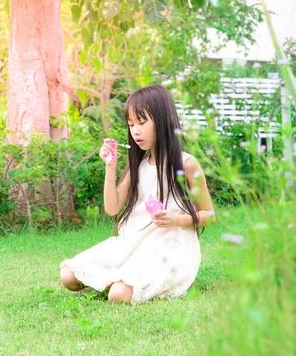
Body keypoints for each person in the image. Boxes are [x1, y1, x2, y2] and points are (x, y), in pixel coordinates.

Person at [60, 85, 215, 305]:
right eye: (131, 124)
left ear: (163, 120)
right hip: (133, 240)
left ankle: (122, 283)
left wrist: (176, 219)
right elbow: (112, 208)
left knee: (117, 295)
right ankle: (118, 278)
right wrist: (111, 167)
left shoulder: (187, 163)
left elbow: (209, 215)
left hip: (169, 245)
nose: (135, 131)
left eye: (142, 123)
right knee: (67, 275)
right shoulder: (139, 165)